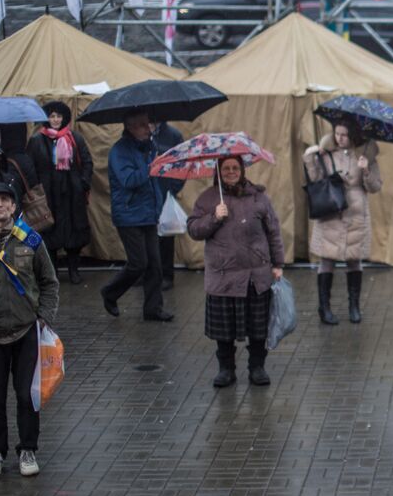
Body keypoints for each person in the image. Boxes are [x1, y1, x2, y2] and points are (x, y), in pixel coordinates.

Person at [0, 182, 60, 479]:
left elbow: (49, 282)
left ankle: (28, 449)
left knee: (26, 396)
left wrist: (43, 318)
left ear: (14, 206)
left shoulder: (30, 239)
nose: (0, 206)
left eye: (5, 200)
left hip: (25, 330)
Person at [186, 156, 284, 389]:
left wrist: (277, 264)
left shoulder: (258, 197)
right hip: (223, 277)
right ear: (218, 172)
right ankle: (226, 370)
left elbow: (274, 232)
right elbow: (193, 229)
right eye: (226, 168)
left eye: (235, 168)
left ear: (242, 170)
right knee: (225, 329)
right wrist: (214, 218)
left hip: (256, 276)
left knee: (257, 327)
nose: (231, 172)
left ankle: (257, 367)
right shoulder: (208, 199)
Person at [304, 118, 381, 325]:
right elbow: (315, 179)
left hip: (356, 214)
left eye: (344, 134)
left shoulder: (366, 155)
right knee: (327, 259)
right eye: (337, 134)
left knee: (354, 259)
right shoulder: (327, 154)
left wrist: (365, 170)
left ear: (353, 135)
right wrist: (312, 157)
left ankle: (354, 307)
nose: (339, 138)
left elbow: (375, 187)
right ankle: (324, 308)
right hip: (331, 211)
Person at [101, 110, 172, 322]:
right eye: (142, 125)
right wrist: (151, 168)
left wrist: (158, 204)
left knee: (155, 265)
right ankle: (110, 292)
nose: (148, 128)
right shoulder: (119, 151)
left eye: (148, 124)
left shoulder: (149, 148)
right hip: (129, 214)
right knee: (138, 263)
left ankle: (153, 309)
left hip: (148, 213)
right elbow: (128, 180)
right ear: (130, 127)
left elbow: (152, 182)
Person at [27, 102, 94, 285]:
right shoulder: (36, 140)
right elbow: (31, 167)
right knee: (49, 232)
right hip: (48, 194)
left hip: (72, 193)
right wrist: (37, 189)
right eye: (52, 116)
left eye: (59, 116)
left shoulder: (75, 138)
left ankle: (74, 270)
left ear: (64, 118)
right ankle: (52, 272)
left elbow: (87, 162)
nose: (55, 120)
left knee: (74, 231)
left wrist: (82, 183)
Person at [150, 119, 184, 291]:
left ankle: (167, 275)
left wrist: (173, 189)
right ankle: (147, 274)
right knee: (146, 235)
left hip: (165, 192)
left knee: (166, 237)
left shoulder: (173, 135)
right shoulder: (137, 133)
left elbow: (181, 165)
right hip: (145, 193)